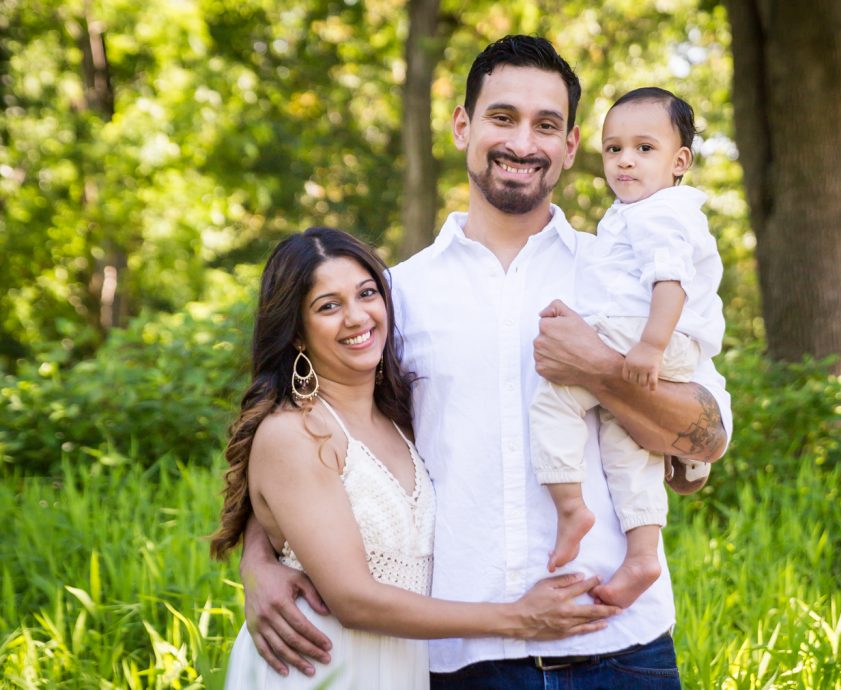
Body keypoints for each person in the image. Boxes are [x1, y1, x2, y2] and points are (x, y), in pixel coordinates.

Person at [241, 35, 732, 688]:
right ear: (463, 125)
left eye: (546, 125)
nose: (523, 142)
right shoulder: (397, 296)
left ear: (571, 145)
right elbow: (320, 437)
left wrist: (599, 370)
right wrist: (259, 555)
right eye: (503, 117)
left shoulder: (622, 273)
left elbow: (706, 435)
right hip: (469, 661)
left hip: (625, 648)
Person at [210, 227, 618, 689]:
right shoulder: (294, 431)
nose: (356, 316)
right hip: (319, 665)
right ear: (297, 333)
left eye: (367, 294)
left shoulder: (401, 420)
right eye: (329, 306)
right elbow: (352, 599)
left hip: (402, 668)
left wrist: (259, 558)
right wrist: (519, 619)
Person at [529, 87, 725, 609]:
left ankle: (570, 507)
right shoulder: (636, 213)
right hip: (656, 340)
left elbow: (671, 281)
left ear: (680, 160)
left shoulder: (659, 212)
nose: (625, 161)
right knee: (625, 442)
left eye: (644, 148)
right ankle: (642, 553)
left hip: (650, 335)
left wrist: (648, 348)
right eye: (614, 149)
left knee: (555, 395)